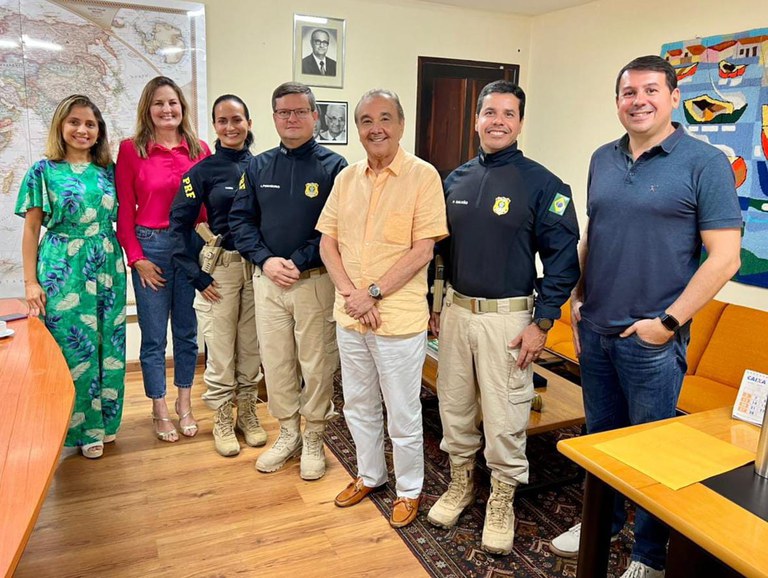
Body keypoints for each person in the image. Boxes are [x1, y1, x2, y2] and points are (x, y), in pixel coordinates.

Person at [549, 55, 741, 578]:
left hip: (651, 341)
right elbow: (596, 235)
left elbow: (725, 258)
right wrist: (579, 301)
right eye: (628, 93)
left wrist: (668, 325)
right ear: (617, 102)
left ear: (675, 97)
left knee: (654, 452)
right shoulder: (601, 159)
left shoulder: (704, 163)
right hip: (597, 330)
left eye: (650, 90)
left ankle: (649, 556)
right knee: (600, 442)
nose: (639, 101)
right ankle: (602, 526)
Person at [426, 80, 580, 555]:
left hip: (510, 321)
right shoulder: (453, 181)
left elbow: (562, 261)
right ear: (476, 119)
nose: (498, 121)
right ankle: (460, 484)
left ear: (519, 122)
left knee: (505, 416)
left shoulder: (545, 185)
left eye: (508, 114)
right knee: (453, 406)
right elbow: (440, 253)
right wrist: (436, 305)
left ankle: (501, 499)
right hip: (455, 312)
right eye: (489, 112)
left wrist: (543, 321)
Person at [317, 89, 448, 528]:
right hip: (350, 316)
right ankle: (370, 475)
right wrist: (355, 296)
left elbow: (422, 250)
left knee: (403, 411)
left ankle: (410, 489)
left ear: (401, 125)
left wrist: (371, 293)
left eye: (385, 118)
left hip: (398, 320)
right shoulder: (346, 178)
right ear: (357, 129)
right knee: (357, 404)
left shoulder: (423, 176)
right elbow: (327, 243)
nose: (376, 128)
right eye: (367, 120)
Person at [230, 82, 347, 479]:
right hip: (268, 283)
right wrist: (266, 260)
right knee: (276, 362)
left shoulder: (335, 168)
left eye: (300, 111)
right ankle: (288, 432)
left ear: (316, 116)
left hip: (313, 281)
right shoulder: (257, 166)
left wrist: (296, 261)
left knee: (316, 363)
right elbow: (240, 222)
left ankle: (314, 436)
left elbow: (336, 229)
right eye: (284, 112)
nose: (291, 119)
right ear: (274, 117)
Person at [16, 94, 126, 459]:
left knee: (107, 345)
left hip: (107, 263)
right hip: (63, 266)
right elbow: (32, 230)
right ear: (61, 127)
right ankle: (79, 430)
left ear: (99, 132)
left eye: (90, 124)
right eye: (74, 122)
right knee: (71, 349)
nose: (82, 129)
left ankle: (106, 424)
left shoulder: (109, 171)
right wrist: (30, 282)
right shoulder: (43, 171)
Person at [169, 94, 266, 457]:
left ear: (249, 123)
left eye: (237, 119)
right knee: (222, 351)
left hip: (255, 271)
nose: (231, 127)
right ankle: (223, 419)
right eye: (223, 120)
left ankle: (248, 416)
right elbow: (178, 225)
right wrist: (197, 276)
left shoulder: (263, 167)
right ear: (215, 126)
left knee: (251, 349)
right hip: (220, 273)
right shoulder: (201, 172)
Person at [116, 76, 210, 443]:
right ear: (148, 109)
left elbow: (205, 205)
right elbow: (125, 210)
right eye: (159, 103)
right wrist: (136, 258)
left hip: (190, 247)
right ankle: (158, 407)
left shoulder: (197, 148)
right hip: (150, 247)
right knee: (154, 336)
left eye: (173, 102)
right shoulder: (131, 150)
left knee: (187, 332)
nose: (167, 109)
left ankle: (184, 403)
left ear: (182, 108)